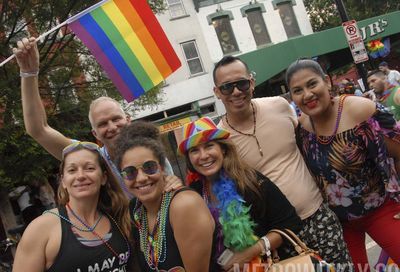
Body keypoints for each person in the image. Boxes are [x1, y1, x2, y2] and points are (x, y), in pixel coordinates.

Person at [212, 55, 352, 269]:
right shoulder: (221, 140)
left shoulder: (279, 106)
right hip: (278, 238)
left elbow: (309, 136)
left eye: (241, 83)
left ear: (251, 82)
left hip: (319, 218)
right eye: (227, 87)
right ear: (217, 92)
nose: (236, 92)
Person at [13, 37, 177, 198]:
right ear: (95, 134)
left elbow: (172, 193)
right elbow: (38, 130)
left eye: (116, 119)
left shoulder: (150, 152)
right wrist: (29, 72)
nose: (112, 127)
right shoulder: (92, 158)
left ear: (128, 120)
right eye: (103, 124)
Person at [286, 58, 400, 272]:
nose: (307, 94)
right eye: (297, 90)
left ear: (327, 82)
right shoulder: (301, 127)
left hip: (381, 211)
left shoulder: (359, 110)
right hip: (340, 225)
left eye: (312, 84)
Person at [178, 117, 303, 271]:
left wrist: (250, 253)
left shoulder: (251, 181)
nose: (203, 156)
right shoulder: (193, 193)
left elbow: (290, 223)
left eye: (209, 146)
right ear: (189, 159)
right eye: (195, 150)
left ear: (223, 149)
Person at [12, 141, 133, 272]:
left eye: (89, 168)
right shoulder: (41, 229)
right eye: (72, 170)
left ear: (103, 178)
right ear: (63, 180)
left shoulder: (119, 217)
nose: (80, 176)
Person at [114, 122, 215, 272]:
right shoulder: (135, 210)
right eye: (130, 172)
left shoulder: (184, 205)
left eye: (149, 167)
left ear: (161, 168)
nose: (141, 178)